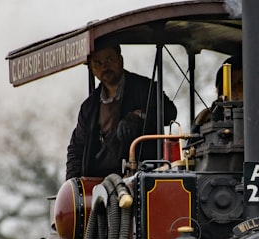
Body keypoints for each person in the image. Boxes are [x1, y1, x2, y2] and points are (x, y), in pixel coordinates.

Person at [65, 42, 178, 179]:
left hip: (141, 176)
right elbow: (77, 149)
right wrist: (73, 188)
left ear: (120, 60)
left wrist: (140, 116)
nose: (104, 67)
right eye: (98, 64)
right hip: (100, 183)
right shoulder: (88, 107)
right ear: (92, 70)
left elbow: (170, 113)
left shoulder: (144, 88)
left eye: (109, 60)